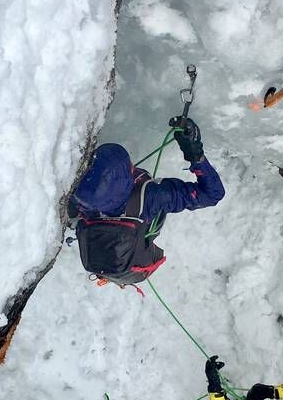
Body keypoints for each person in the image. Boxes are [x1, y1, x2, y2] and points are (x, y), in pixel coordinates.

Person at [69, 117, 225, 285]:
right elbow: (212, 194)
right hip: (137, 253)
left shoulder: (80, 200)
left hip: (110, 250)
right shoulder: (151, 197)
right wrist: (195, 153)